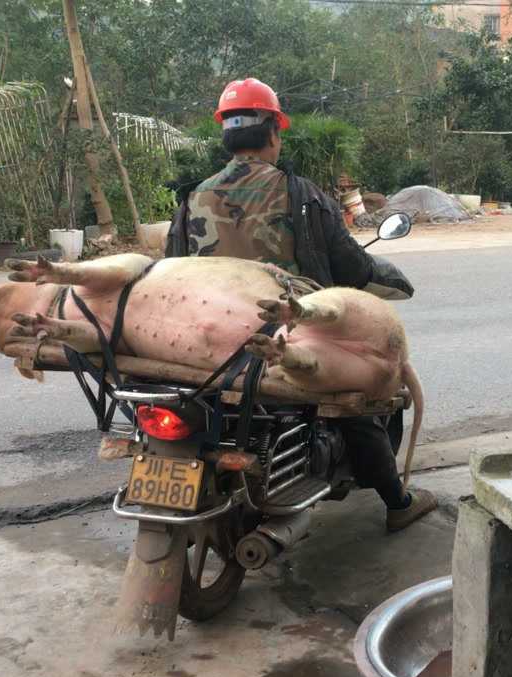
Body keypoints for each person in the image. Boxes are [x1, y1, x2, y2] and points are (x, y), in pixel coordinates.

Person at [166, 77, 436, 532]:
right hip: (286, 337)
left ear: (226, 135)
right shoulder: (300, 193)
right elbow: (350, 266)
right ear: (274, 132)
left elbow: (172, 271)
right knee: (357, 400)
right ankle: (397, 501)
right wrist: (381, 276)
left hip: (208, 344)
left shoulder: (193, 198)